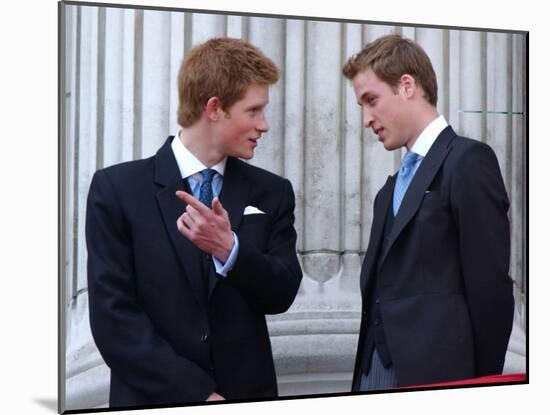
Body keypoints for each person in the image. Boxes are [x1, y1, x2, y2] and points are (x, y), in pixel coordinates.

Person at [86, 37, 302, 408]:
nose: (263, 125)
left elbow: (282, 292)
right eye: (253, 111)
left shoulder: (272, 192)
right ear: (214, 108)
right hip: (152, 400)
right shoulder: (116, 190)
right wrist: (196, 394)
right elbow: (113, 317)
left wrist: (229, 250)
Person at [342, 34, 514, 391]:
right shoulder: (387, 191)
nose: (366, 119)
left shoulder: (468, 161)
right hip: (370, 375)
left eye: (371, 101)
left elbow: (490, 288)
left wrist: (482, 386)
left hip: (440, 380)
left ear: (407, 85)